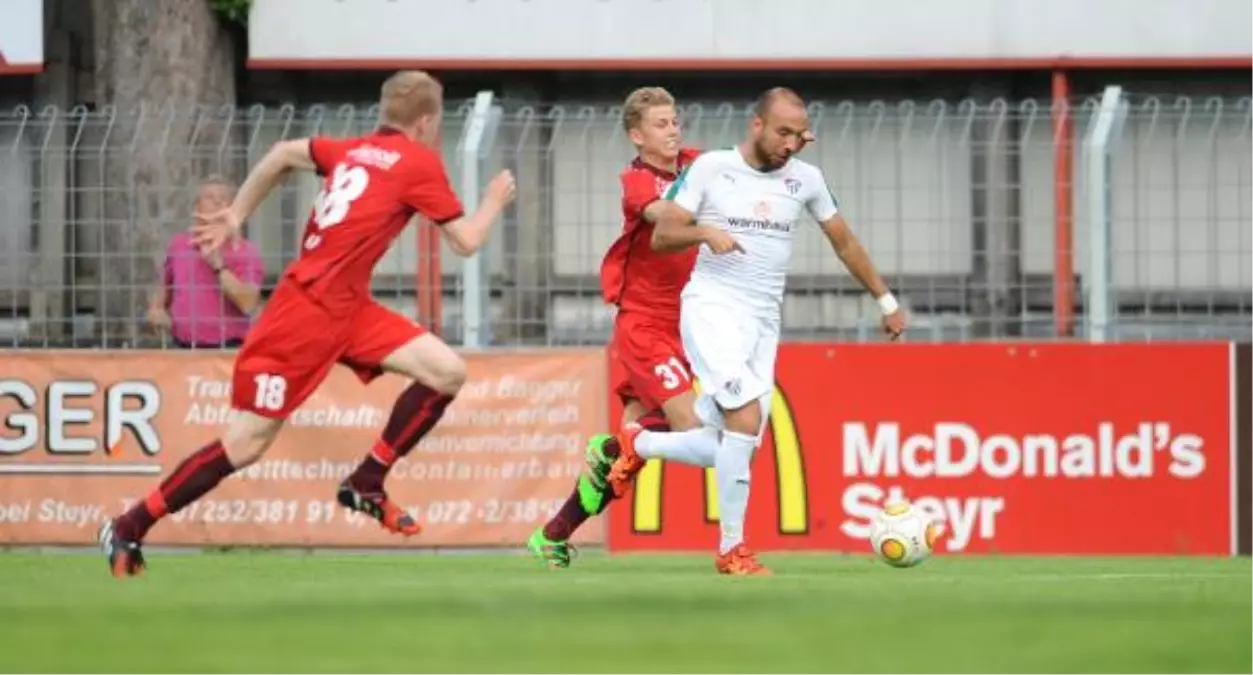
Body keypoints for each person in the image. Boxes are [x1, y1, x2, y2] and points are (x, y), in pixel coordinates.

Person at [98, 70, 517, 577]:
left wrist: (236, 213)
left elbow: (281, 155)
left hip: (349, 308)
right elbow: (466, 241)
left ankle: (367, 479)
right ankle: (128, 525)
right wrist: (494, 199)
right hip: (304, 313)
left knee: (446, 371)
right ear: (427, 121)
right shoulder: (416, 163)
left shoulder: (350, 149)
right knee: (246, 443)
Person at [607, 87, 906, 575]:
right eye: (781, 132)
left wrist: (886, 300)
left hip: (764, 322)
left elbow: (843, 240)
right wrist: (705, 231)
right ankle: (732, 551)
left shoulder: (806, 179)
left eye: (798, 135)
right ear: (757, 126)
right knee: (744, 419)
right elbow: (663, 236)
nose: (790, 144)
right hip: (712, 310)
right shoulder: (712, 169)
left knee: (730, 442)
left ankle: (636, 444)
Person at [526, 87, 712, 569]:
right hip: (645, 326)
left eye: (674, 121)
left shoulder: (698, 162)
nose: (672, 129)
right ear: (637, 135)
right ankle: (613, 444)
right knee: (689, 424)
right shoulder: (636, 181)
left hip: (685, 325)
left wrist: (778, 155)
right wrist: (709, 214)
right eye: (660, 124)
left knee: (628, 456)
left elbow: (745, 168)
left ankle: (554, 533)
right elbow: (663, 217)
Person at [148, 175, 264, 349]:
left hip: (227, 349)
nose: (218, 202)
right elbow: (164, 290)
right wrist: (156, 311)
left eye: (224, 199)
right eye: (210, 197)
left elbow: (249, 303)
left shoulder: (244, 251)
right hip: (182, 348)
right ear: (196, 207)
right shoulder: (179, 246)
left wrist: (219, 268)